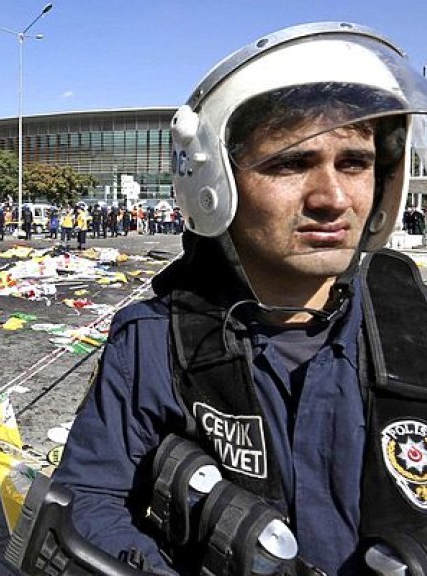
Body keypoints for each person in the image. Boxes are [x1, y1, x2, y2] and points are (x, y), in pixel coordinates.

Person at [51, 22, 427, 576]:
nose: (332, 198)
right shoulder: (156, 340)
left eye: (354, 163)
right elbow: (88, 498)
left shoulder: (413, 325)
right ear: (215, 182)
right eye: (290, 164)